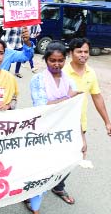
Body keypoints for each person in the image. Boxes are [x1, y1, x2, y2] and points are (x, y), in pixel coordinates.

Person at [29, 40, 80, 212]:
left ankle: (57, 186)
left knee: (64, 160)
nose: (56, 64)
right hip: (43, 129)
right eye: (52, 60)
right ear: (46, 60)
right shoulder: (38, 80)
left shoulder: (70, 81)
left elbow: (74, 109)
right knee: (39, 165)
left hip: (62, 130)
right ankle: (32, 197)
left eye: (60, 60)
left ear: (65, 60)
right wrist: (68, 98)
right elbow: (42, 106)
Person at [64, 38, 111, 159]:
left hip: (81, 124)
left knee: (77, 158)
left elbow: (97, 97)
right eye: (79, 51)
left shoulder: (91, 72)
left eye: (86, 51)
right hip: (61, 125)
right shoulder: (62, 72)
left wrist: (107, 122)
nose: (83, 55)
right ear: (70, 53)